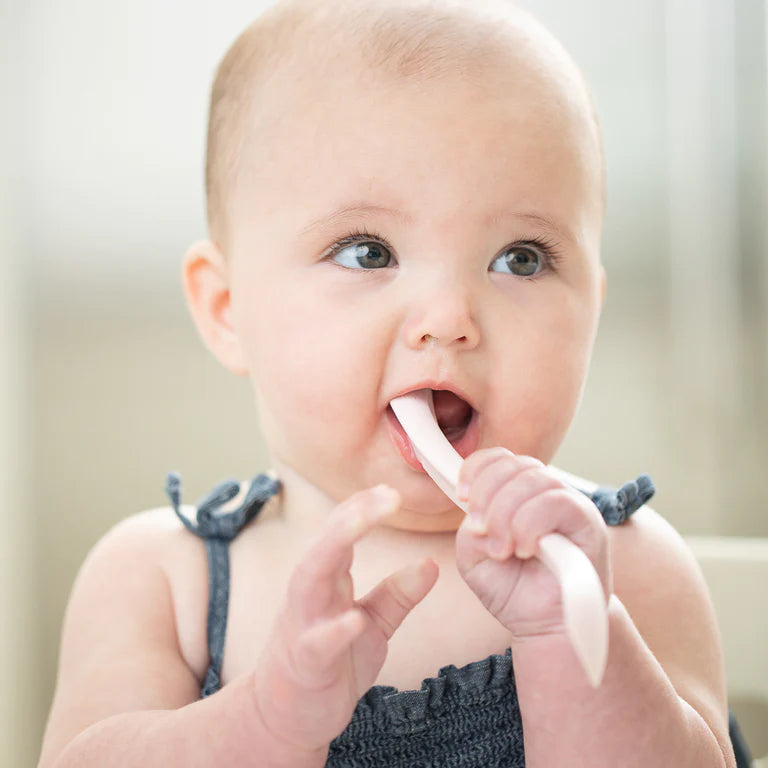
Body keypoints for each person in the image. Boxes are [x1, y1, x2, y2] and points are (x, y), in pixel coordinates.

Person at [38, 0, 738, 765]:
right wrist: (261, 727)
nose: (447, 317)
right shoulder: (158, 583)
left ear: (590, 316)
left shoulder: (622, 566)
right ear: (228, 309)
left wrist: (575, 640)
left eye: (522, 259)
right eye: (368, 252)